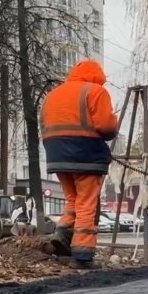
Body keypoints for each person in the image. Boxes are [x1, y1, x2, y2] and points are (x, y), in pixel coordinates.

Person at [41, 59, 119, 268]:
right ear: (97, 77)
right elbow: (106, 126)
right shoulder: (95, 92)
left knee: (73, 200)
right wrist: (115, 123)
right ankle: (82, 256)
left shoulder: (53, 94)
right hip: (85, 154)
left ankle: (62, 235)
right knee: (86, 203)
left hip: (56, 154)